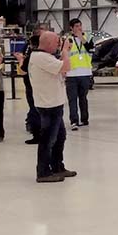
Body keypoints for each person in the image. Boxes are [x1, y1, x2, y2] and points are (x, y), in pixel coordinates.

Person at [28, 31, 76, 183]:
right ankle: (43, 172)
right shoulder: (40, 57)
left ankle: (57, 166)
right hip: (49, 105)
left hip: (54, 103)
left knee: (60, 137)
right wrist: (65, 52)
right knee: (48, 139)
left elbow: (60, 67)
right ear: (48, 43)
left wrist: (62, 55)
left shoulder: (45, 57)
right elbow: (66, 66)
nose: (58, 44)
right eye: (57, 42)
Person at [14, 23, 47, 144]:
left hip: (37, 84)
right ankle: (35, 127)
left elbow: (22, 70)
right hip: (32, 83)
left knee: (36, 108)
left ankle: (37, 131)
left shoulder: (36, 55)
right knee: (35, 107)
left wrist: (21, 60)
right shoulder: (31, 50)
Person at [64, 19, 95, 131]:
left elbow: (91, 49)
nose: (79, 28)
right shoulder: (68, 40)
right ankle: (74, 121)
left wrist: (82, 38)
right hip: (72, 73)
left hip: (85, 72)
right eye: (76, 26)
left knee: (83, 97)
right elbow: (65, 54)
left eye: (80, 26)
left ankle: (85, 118)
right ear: (71, 28)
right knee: (72, 99)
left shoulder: (88, 37)